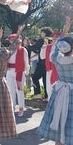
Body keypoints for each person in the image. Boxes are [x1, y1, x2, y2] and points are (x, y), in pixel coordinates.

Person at [37, 16, 72, 145]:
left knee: (58, 118)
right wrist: (65, 32)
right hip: (71, 94)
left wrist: (64, 34)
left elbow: (56, 47)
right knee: (69, 121)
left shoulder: (56, 58)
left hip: (59, 93)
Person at [6, 33, 30, 117]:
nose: (12, 41)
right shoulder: (8, 50)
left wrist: (27, 72)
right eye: (11, 40)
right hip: (9, 71)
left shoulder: (23, 50)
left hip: (19, 71)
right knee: (10, 90)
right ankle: (12, 105)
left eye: (14, 40)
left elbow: (26, 62)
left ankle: (21, 107)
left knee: (19, 90)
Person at [27, 27, 53, 99]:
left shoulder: (42, 40)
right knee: (45, 80)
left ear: (44, 33)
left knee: (35, 77)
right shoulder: (51, 40)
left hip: (42, 63)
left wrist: (27, 46)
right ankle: (47, 96)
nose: (40, 34)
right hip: (49, 63)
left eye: (41, 32)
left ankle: (38, 93)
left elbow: (33, 48)